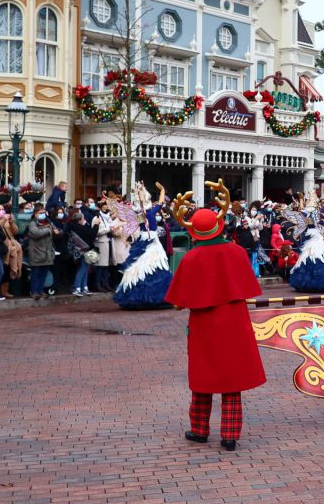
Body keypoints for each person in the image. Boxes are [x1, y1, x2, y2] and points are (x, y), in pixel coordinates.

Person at [165, 184, 265, 452]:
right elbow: (250, 290)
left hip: (204, 326)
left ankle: (199, 430)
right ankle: (230, 435)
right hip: (234, 324)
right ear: (219, 225)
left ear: (195, 231)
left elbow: (177, 303)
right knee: (232, 382)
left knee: (203, 379)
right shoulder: (236, 252)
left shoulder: (191, 258)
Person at [113, 182, 173, 309]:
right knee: (145, 266)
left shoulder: (144, 212)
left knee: (149, 265)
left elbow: (161, 202)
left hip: (148, 239)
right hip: (148, 239)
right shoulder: (144, 212)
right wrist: (160, 190)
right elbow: (160, 202)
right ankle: (145, 297)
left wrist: (161, 190)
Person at [26, 209, 57, 300]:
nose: (43, 215)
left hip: (47, 252)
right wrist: (48, 230)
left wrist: (57, 232)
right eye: (40, 213)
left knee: (43, 274)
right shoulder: (32, 224)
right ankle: (34, 291)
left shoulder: (48, 222)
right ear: (35, 214)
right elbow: (35, 233)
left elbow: (57, 231)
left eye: (44, 213)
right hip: (36, 252)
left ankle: (40, 290)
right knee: (36, 273)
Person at [66, 211, 96, 296]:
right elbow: (92, 233)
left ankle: (84, 287)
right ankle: (77, 287)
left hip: (80, 251)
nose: (84, 220)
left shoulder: (73, 226)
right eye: (83, 218)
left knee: (85, 269)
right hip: (81, 251)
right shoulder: (78, 227)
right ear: (79, 220)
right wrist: (96, 225)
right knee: (83, 269)